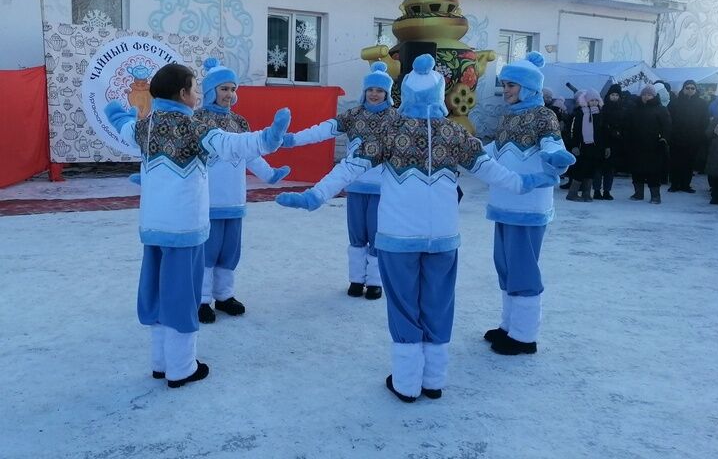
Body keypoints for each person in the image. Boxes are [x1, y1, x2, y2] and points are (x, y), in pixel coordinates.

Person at [275, 54, 560, 402]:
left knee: (404, 306)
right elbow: (492, 172)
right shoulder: (455, 133)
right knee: (438, 305)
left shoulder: (390, 131)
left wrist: (316, 195)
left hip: (399, 238)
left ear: (405, 94)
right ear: (439, 95)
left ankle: (407, 382)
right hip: (442, 239)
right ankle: (434, 380)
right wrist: (528, 181)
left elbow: (349, 167)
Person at [104, 63, 290, 388]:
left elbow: (123, 128)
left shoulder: (145, 127)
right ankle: (181, 368)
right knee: (183, 295)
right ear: (184, 94)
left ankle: (161, 362)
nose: (196, 93)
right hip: (185, 230)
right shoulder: (195, 128)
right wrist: (269, 138)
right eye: (193, 87)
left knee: (157, 292)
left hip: (153, 228)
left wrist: (117, 115)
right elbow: (233, 145)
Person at [484, 52, 575, 356]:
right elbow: (497, 150)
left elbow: (552, 143)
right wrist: (468, 154)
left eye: (511, 85)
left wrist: (555, 156)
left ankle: (524, 336)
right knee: (505, 264)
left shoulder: (543, 115)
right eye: (505, 84)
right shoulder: (508, 115)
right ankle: (509, 325)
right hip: (504, 203)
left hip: (528, 206)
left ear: (529, 87)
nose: (506, 89)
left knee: (522, 267)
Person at [281, 62, 396, 300]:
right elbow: (323, 130)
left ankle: (374, 282)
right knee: (356, 235)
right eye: (371, 89)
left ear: (387, 93)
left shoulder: (396, 119)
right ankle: (356, 279)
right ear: (364, 92)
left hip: (383, 188)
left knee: (377, 234)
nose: (375, 94)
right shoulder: (353, 116)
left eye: (380, 90)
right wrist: (293, 139)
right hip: (354, 185)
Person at [193, 58, 291, 324]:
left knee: (230, 251)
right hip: (208, 201)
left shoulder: (239, 121)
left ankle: (224, 295)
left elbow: (251, 154)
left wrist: (269, 174)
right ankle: (201, 300)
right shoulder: (198, 119)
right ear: (211, 90)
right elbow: (186, 156)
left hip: (234, 200)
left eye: (232, 89)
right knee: (207, 252)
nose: (229, 94)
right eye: (223, 88)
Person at [625, 84, 672, 204]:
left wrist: (664, 139)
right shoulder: (634, 108)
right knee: (637, 171)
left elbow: (667, 127)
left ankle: (655, 196)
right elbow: (628, 126)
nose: (646, 97)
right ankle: (638, 193)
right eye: (644, 94)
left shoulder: (661, 109)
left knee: (653, 172)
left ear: (654, 96)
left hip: (654, 146)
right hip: (636, 145)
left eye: (649, 95)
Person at [565, 89, 606, 202]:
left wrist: (604, 146)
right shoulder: (580, 113)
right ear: (586, 101)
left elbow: (602, 131)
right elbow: (575, 131)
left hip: (596, 147)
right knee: (580, 169)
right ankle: (572, 193)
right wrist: (574, 146)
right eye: (591, 100)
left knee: (591, 170)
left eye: (596, 100)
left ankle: (586, 193)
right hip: (582, 146)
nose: (594, 102)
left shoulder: (600, 113)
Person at [667, 80, 707, 193]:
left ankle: (686, 185)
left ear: (696, 90)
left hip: (693, 139)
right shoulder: (675, 102)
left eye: (692, 88)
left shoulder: (702, 103)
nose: (690, 90)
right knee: (675, 162)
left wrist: (700, 135)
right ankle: (674, 184)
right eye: (687, 88)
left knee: (689, 163)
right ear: (683, 89)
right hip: (677, 138)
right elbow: (669, 120)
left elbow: (705, 121)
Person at [593, 84, 627, 199]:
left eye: (617, 95)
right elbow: (600, 127)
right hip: (602, 142)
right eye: (612, 94)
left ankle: (607, 191)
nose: (614, 97)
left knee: (610, 169)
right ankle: (597, 190)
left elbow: (625, 127)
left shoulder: (622, 110)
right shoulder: (603, 109)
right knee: (598, 168)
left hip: (615, 144)